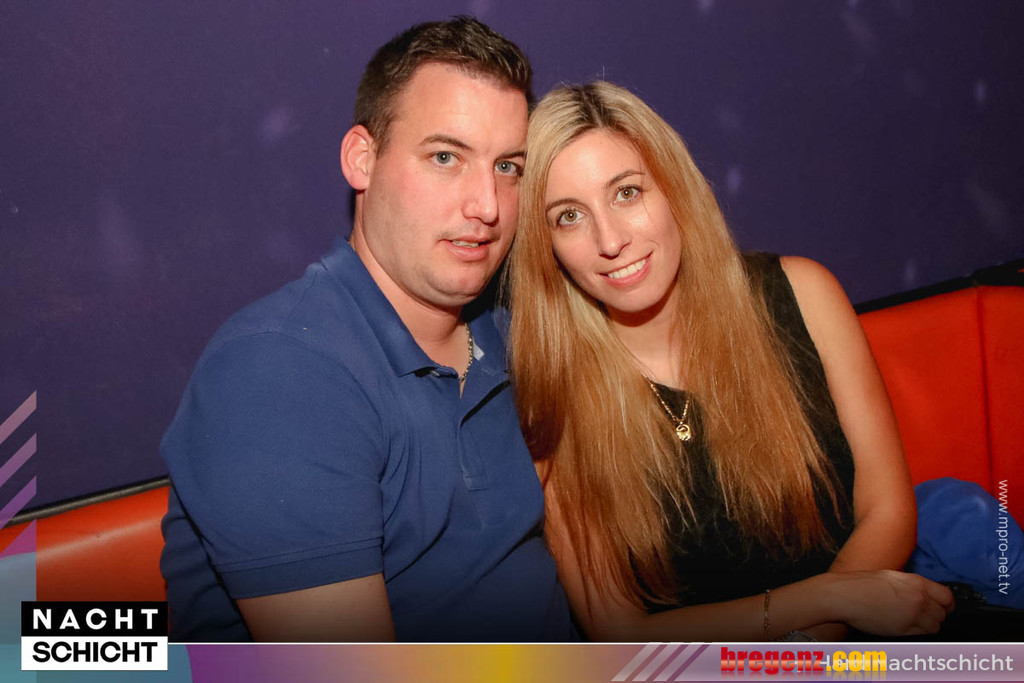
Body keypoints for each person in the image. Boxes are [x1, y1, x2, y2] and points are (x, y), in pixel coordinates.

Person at [159, 17, 574, 642]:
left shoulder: (512, 334)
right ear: (363, 159)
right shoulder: (279, 370)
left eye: (508, 167)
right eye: (445, 157)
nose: (487, 205)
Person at [507, 81, 954, 641]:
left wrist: (817, 647)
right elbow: (618, 630)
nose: (610, 239)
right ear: (546, 246)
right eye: (569, 216)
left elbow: (888, 510)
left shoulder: (803, 294)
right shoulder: (552, 393)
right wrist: (825, 602)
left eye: (626, 192)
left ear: (674, 187)